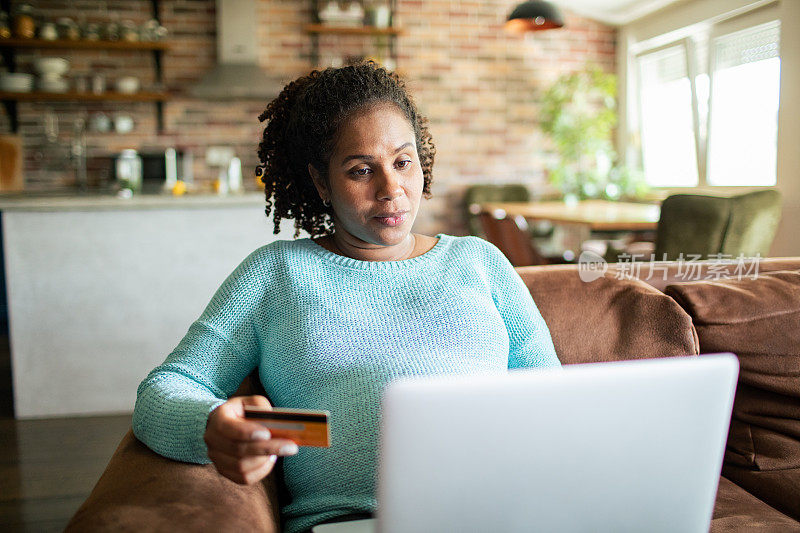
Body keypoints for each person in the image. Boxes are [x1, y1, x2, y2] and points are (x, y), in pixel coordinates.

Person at [132, 62, 561, 533]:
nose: (391, 190)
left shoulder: (481, 262)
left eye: (403, 162)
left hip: (502, 514)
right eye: (361, 171)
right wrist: (212, 425)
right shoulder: (276, 275)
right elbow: (163, 391)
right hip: (354, 522)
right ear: (322, 182)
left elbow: (554, 403)